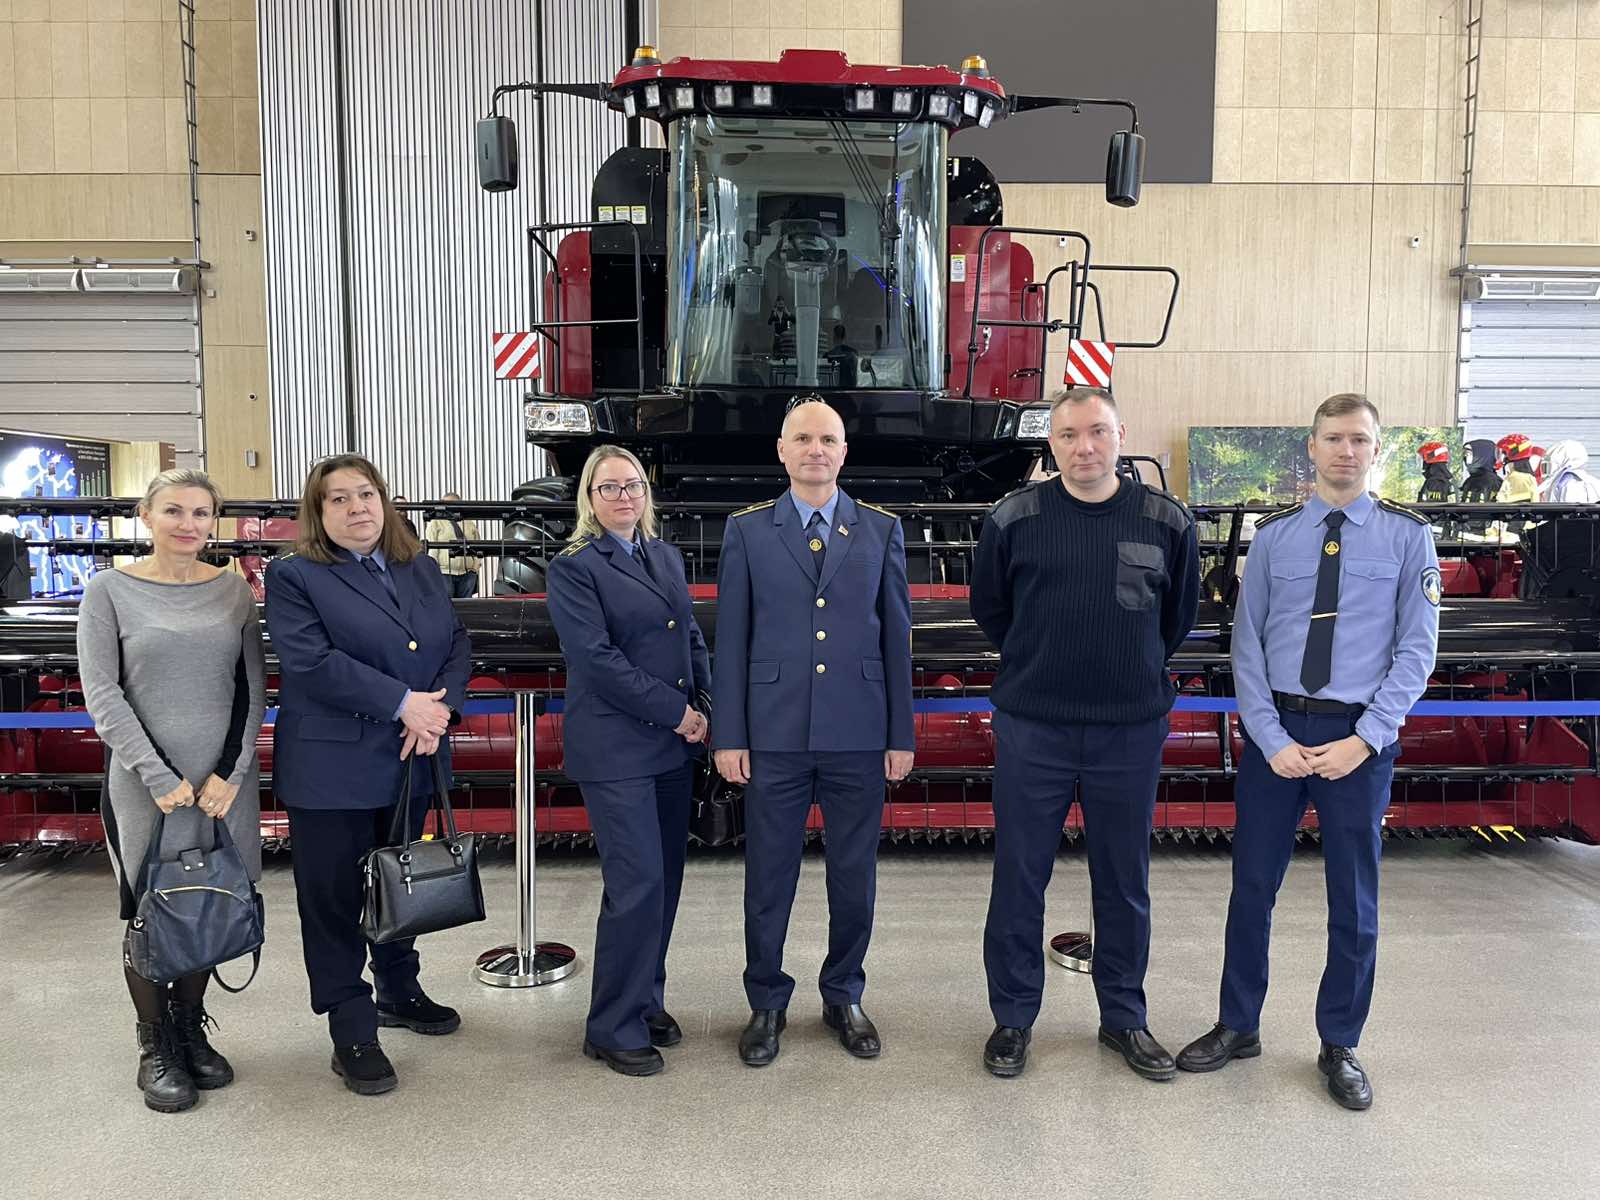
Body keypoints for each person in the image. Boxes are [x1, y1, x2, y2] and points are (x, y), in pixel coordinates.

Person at [1176, 393, 1440, 1111]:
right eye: (1333, 439)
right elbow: (1247, 647)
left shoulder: (1408, 538)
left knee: (1353, 899)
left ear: (1375, 450)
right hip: (1279, 741)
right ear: (1312, 447)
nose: (1345, 451)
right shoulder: (1275, 538)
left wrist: (1365, 739)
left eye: (1359, 440)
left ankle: (1340, 1041)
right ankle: (1238, 1025)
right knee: (1251, 889)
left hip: (1359, 742)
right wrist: (1270, 740)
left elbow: (1416, 652)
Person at [969, 387, 1199, 1081]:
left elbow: (1177, 620)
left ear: (1121, 434)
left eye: (1097, 431)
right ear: (1052, 444)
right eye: (1068, 435)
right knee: (1019, 877)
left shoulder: (1166, 519)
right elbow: (992, 611)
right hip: (1033, 727)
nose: (1084, 447)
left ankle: (1123, 1017)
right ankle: (1013, 1018)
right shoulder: (1014, 517)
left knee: (1124, 881)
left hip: (1128, 730)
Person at [712, 395, 914, 1067]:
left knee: (853, 878)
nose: (815, 450)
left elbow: (896, 642)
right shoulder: (747, 531)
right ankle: (766, 1001)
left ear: (844, 452)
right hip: (774, 734)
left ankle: (843, 994)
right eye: (803, 438)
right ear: (781, 450)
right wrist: (730, 735)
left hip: (859, 732)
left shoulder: (880, 529)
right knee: (769, 878)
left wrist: (901, 735)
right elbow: (732, 641)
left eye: (827, 439)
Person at [265, 454, 470, 1097]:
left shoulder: (419, 567)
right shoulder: (294, 575)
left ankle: (399, 991)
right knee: (332, 902)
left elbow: (455, 644)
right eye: (339, 498)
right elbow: (310, 660)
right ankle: (352, 1030)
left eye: (366, 494)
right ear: (318, 512)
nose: (357, 507)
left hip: (412, 756)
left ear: (385, 500)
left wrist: (439, 712)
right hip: (331, 769)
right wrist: (404, 704)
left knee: (399, 882)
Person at [76, 468, 267, 1113]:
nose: (189, 524)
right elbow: (103, 693)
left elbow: (251, 690)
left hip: (221, 786)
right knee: (151, 908)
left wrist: (230, 775)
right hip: (144, 786)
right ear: (146, 515)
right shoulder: (108, 591)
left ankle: (190, 1028)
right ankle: (154, 1042)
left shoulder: (233, 590)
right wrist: (157, 776)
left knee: (207, 900)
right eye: (174, 511)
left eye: (201, 513)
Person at [546, 446, 712, 1077]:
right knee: (636, 883)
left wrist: (706, 704)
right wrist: (676, 713)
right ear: (589, 498)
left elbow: (689, 636)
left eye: (633, 485)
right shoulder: (575, 567)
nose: (623, 496)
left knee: (663, 883)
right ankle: (611, 1025)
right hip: (617, 748)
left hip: (671, 745)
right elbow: (597, 661)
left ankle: (644, 999)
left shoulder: (663, 555)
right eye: (609, 487)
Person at [425, 492, 483, 598]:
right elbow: (432, 549)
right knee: (447, 603)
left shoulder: (469, 523)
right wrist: (434, 571)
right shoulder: (435, 523)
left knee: (466, 605)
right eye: (445, 504)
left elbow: (478, 546)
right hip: (444, 573)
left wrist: (475, 568)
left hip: (467, 573)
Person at [1496, 434, 1539, 504]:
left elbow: (1511, 507)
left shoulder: (1517, 478)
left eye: (1503, 453)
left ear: (1514, 452)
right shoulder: (1527, 477)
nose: (1501, 457)